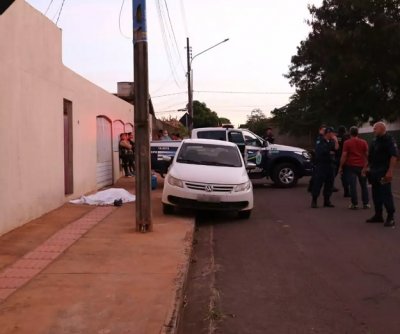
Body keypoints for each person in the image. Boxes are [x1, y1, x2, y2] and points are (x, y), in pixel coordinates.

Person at [365, 122, 398, 227]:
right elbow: (370, 156)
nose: (373, 130)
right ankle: (378, 215)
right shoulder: (374, 141)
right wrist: (366, 167)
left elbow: (394, 156)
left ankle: (390, 217)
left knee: (385, 193)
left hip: (384, 173)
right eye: (373, 128)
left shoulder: (389, 140)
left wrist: (390, 171)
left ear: (382, 129)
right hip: (374, 172)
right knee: (376, 194)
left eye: (375, 128)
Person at [338, 126, 369, 209]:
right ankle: (366, 203)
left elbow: (344, 155)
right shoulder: (363, 142)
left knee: (353, 185)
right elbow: (367, 155)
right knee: (363, 185)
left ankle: (354, 204)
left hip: (351, 166)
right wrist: (367, 165)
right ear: (357, 133)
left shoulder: (347, 143)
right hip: (361, 166)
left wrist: (340, 166)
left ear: (350, 133)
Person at [311, 127, 339, 208]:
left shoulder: (331, 141)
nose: (333, 135)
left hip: (330, 165)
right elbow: (321, 152)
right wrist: (330, 151)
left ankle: (327, 201)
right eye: (332, 133)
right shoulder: (320, 141)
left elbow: (336, 149)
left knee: (329, 184)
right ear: (328, 133)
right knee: (318, 183)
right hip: (321, 165)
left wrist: (336, 141)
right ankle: (314, 201)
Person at [308, 124, 326, 193]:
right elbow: (318, 148)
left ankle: (311, 187)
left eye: (325, 130)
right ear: (320, 130)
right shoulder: (319, 138)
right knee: (316, 174)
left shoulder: (323, 138)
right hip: (317, 158)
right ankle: (311, 187)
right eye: (323, 130)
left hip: (320, 158)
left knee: (316, 174)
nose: (324, 131)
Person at [335, 126, 351, 196]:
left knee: (333, 174)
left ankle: (330, 187)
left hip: (336, 157)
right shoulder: (345, 137)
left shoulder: (335, 137)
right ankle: (346, 191)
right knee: (344, 175)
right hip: (343, 158)